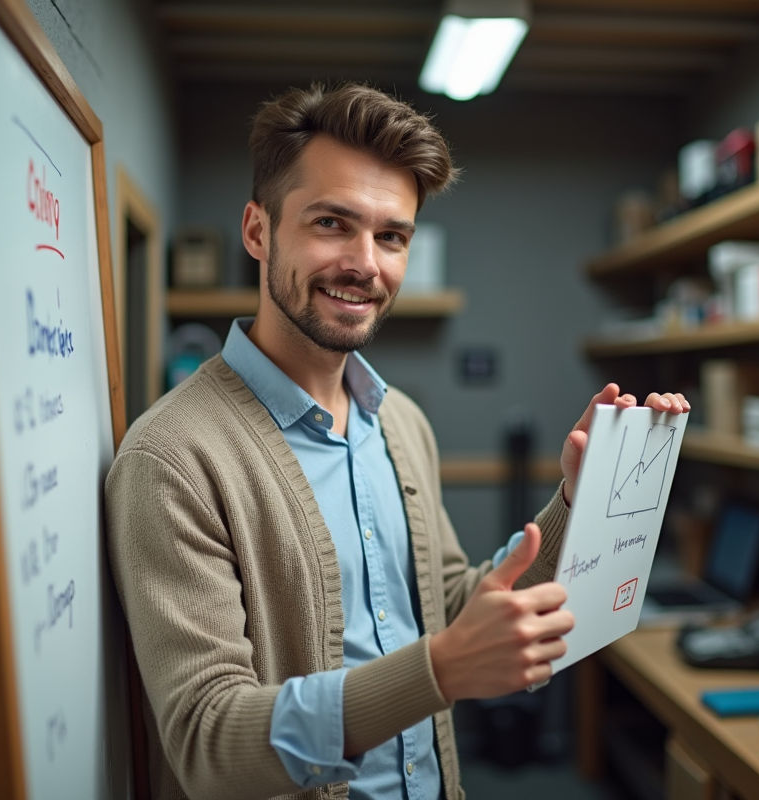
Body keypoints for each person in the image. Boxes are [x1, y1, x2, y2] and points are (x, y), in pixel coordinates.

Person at [105, 83, 690, 800]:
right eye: (331, 223)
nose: (366, 264)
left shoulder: (400, 421)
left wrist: (580, 498)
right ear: (258, 232)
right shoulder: (172, 458)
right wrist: (438, 671)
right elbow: (207, 741)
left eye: (392, 236)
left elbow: (448, 606)